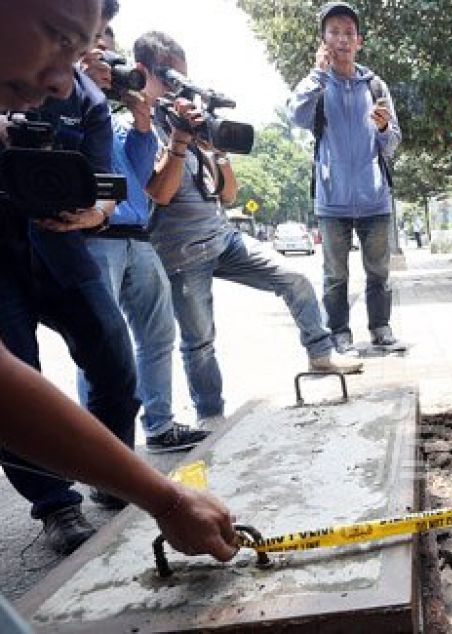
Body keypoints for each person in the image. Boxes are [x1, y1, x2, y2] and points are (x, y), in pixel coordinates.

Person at [0, 0, 235, 563]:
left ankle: (108, 474)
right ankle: (56, 504)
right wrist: (168, 499)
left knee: (114, 360)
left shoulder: (85, 101)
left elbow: (110, 186)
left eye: (78, 52)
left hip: (63, 247)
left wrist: (95, 212)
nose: (63, 78)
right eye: (56, 36)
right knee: (21, 361)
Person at [141, 31, 362, 424]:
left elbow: (227, 196)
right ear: (145, 74)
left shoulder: (194, 124)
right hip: (181, 252)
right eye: (170, 79)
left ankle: (321, 353)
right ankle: (212, 419)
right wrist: (178, 141)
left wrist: (217, 152)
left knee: (294, 278)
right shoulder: (146, 129)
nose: (180, 89)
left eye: (183, 79)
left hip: (223, 237)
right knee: (200, 343)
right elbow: (159, 193)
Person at [78, 0, 209, 452]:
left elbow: (140, 177)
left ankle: (160, 425)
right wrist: (80, 89)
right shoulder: (61, 99)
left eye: (107, 48)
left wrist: (137, 118)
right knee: (101, 350)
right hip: (95, 240)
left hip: (138, 237)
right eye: (93, 47)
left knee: (158, 338)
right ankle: (106, 451)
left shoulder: (121, 116)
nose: (103, 59)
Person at [289, 1, 403, 355]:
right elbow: (296, 116)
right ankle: (339, 331)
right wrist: (319, 76)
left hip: (374, 197)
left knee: (378, 272)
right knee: (335, 275)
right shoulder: (315, 84)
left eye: (348, 33)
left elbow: (394, 140)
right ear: (323, 40)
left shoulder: (375, 85)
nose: (342, 39)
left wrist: (384, 129)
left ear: (359, 41)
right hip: (332, 198)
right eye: (334, 32)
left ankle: (380, 327)